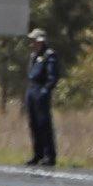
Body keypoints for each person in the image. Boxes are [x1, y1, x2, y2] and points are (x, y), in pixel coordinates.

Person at [24, 28, 60, 167]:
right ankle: (37, 154)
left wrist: (45, 91)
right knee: (33, 124)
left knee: (43, 124)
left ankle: (49, 155)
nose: (32, 43)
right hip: (32, 90)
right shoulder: (34, 55)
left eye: (34, 40)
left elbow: (52, 77)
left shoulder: (49, 55)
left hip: (40, 91)